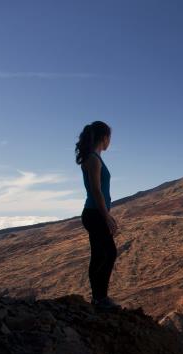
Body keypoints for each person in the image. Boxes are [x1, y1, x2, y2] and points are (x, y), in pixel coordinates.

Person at [76, 121, 120, 310]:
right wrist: (106, 216)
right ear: (104, 138)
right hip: (95, 213)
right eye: (109, 137)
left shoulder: (94, 158)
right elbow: (96, 190)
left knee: (100, 255)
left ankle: (98, 298)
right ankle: (100, 298)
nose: (110, 141)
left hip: (94, 213)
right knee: (109, 253)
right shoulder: (93, 159)